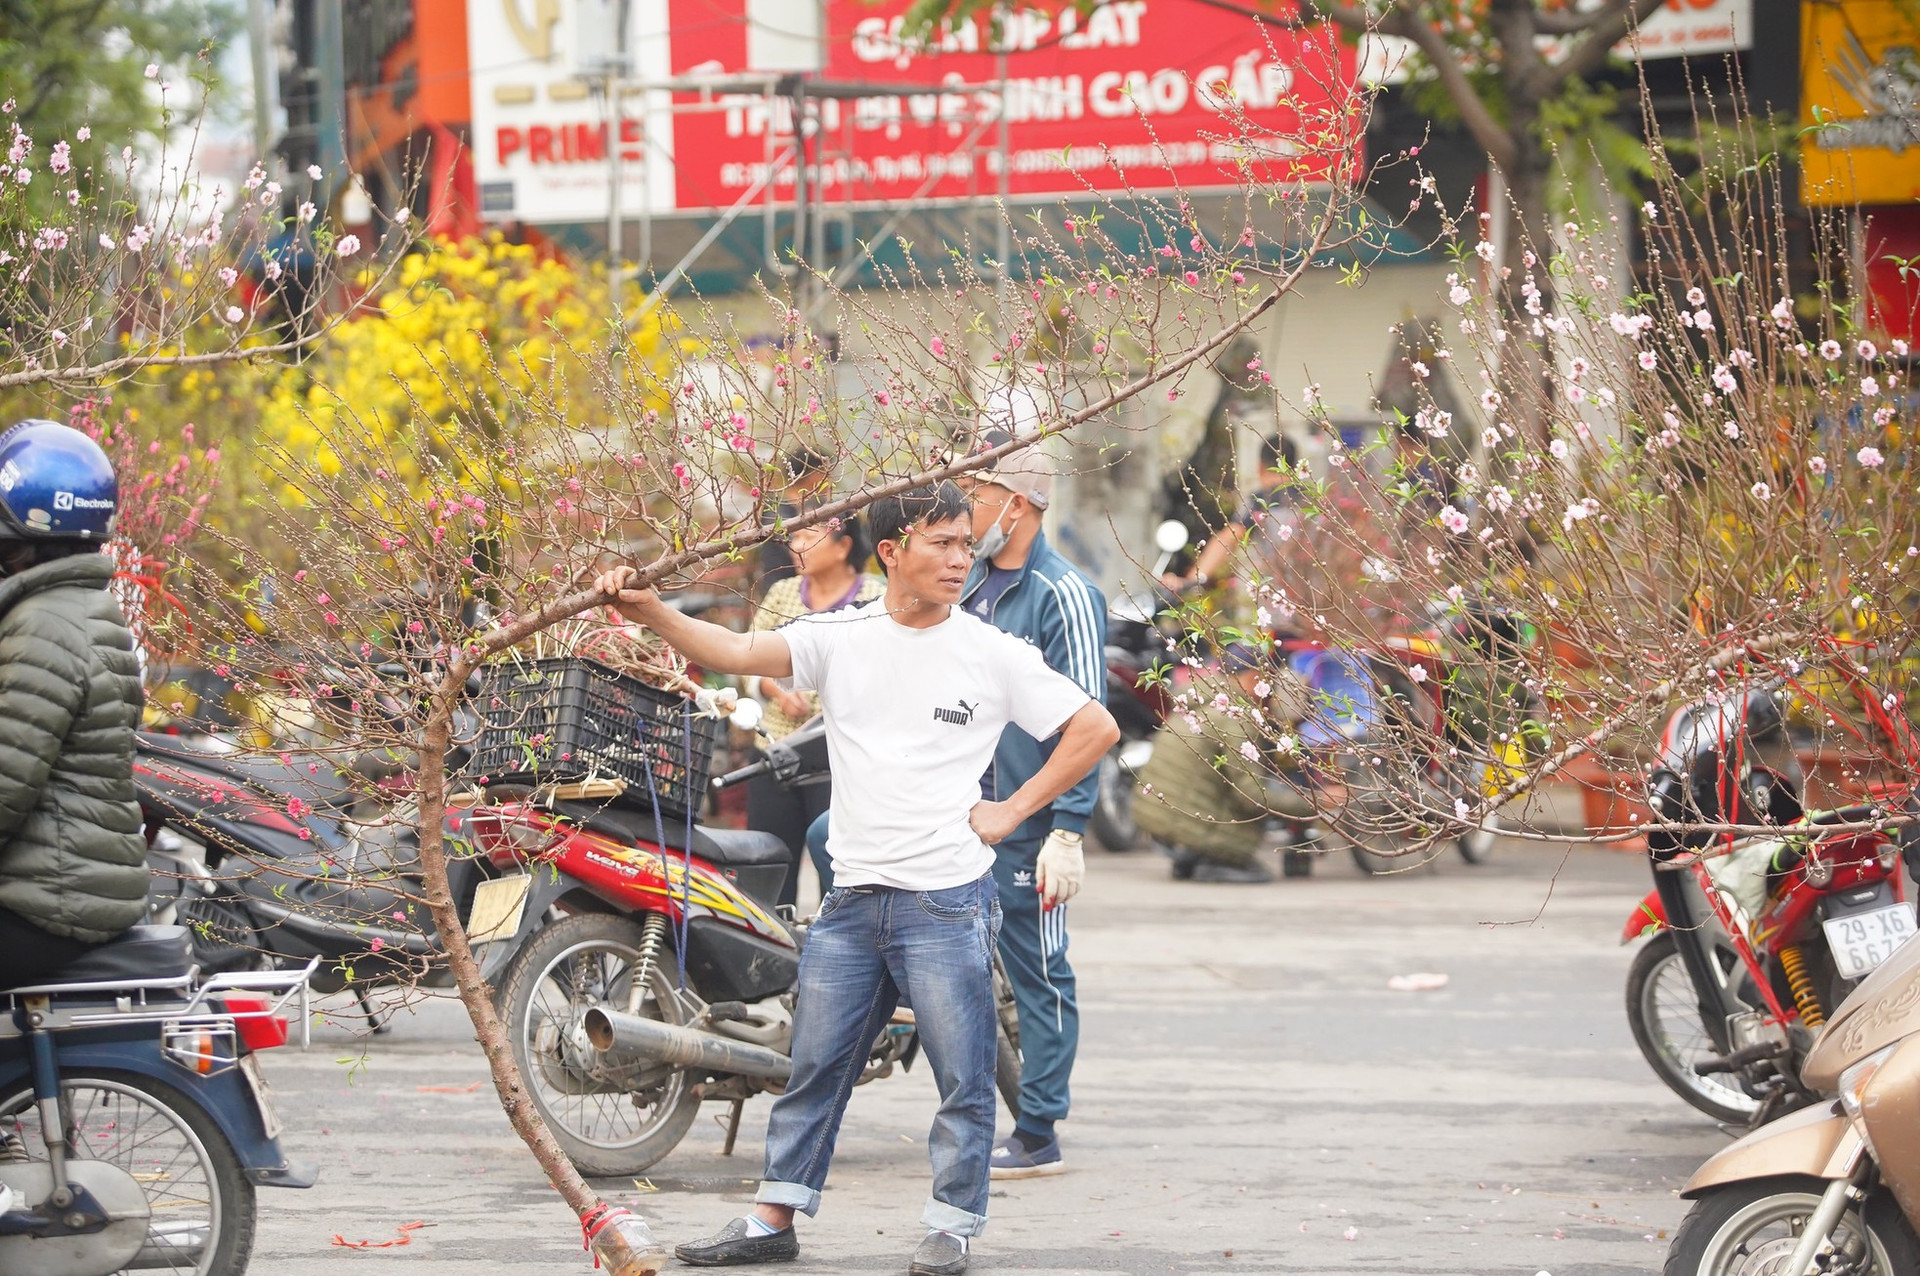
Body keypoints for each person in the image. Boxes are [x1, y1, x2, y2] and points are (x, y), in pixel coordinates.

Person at [594, 482, 1118, 1276]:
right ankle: (774, 1218)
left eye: (961, 541)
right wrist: (650, 611)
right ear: (890, 554)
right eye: (939, 542)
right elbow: (733, 653)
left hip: (945, 899)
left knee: (963, 1076)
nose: (958, 556)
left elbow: (1094, 726)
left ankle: (951, 1225)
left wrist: (1012, 810)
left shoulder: (989, 649)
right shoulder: (841, 638)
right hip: (852, 898)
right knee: (814, 1070)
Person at [954, 430, 1103, 1180]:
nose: (964, 513)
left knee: (1040, 969)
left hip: (1030, 823)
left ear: (1014, 505)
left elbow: (1088, 719)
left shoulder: (1063, 595)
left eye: (974, 497)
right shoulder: (972, 590)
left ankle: (1039, 1127)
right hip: (962, 816)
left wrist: (1067, 828)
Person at [0, 420, 148, 987]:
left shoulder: (44, 625)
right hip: (75, 884)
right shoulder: (85, 608)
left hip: (49, 898)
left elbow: (7, 783)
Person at [746, 515, 883, 907]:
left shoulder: (873, 597)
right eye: (794, 536)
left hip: (838, 759)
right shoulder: (782, 593)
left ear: (842, 547)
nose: (797, 544)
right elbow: (752, 660)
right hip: (776, 748)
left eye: (809, 535)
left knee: (838, 867)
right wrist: (777, 689)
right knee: (770, 865)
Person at [1134, 643, 1297, 884]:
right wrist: (1313, 803)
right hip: (1186, 824)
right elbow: (1251, 796)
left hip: (1153, 813)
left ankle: (1190, 857)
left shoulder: (1197, 700)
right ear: (1255, 678)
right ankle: (1209, 857)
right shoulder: (1234, 719)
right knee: (1257, 872)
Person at [1172, 433, 1298, 592]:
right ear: (1294, 467)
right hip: (1326, 596)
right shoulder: (1315, 500)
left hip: (1279, 593)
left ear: (1259, 466)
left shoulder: (1261, 501)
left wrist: (1193, 580)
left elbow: (1229, 537)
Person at [753, 446, 833, 599]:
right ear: (813, 474)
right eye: (826, 471)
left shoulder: (815, 506)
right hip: (783, 592)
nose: (830, 479)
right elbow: (797, 550)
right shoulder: (776, 509)